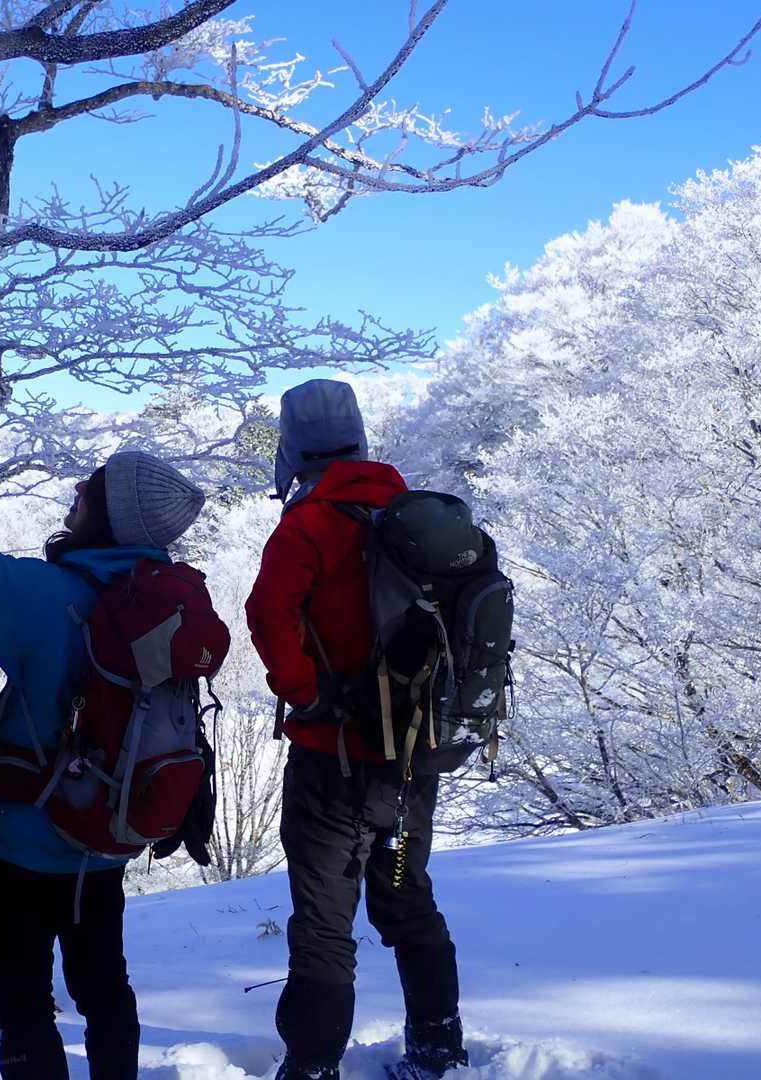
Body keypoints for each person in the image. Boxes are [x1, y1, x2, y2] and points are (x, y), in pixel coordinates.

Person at [0, 385, 207, 1080]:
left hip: (19, 836)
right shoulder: (166, 605)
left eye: (89, 490)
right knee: (105, 987)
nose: (76, 492)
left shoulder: (48, 598)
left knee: (23, 1004)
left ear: (110, 517)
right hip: (106, 835)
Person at [245, 380, 468, 1080]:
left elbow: (267, 615)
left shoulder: (308, 525)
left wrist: (306, 694)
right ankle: (437, 1048)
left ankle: (312, 1066)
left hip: (332, 766)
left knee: (324, 921)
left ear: (292, 449)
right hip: (410, 765)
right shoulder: (419, 518)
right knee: (404, 889)